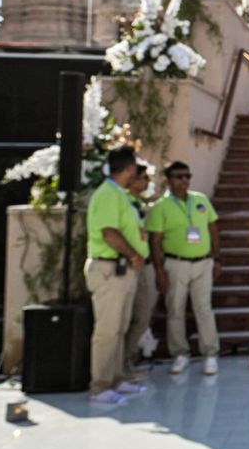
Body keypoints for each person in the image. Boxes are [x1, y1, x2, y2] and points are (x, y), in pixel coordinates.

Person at [84, 145, 150, 405]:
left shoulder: (118, 194)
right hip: (110, 268)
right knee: (107, 330)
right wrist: (134, 254)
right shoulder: (108, 194)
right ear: (130, 168)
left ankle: (116, 379)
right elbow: (108, 232)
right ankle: (99, 386)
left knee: (120, 328)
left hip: (122, 270)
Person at [146, 161, 222, 375]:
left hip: (202, 262)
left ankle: (210, 354)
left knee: (203, 308)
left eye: (187, 176)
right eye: (179, 177)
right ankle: (180, 354)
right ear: (168, 181)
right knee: (175, 310)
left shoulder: (200, 200)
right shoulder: (161, 207)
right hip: (176, 263)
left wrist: (217, 258)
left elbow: (212, 228)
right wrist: (159, 270)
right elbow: (155, 241)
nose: (184, 181)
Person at [123, 162, 160, 377]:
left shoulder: (137, 203)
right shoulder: (122, 202)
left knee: (142, 316)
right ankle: (118, 369)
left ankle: (126, 363)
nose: (146, 182)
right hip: (126, 266)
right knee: (123, 320)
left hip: (140, 266)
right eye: (143, 177)